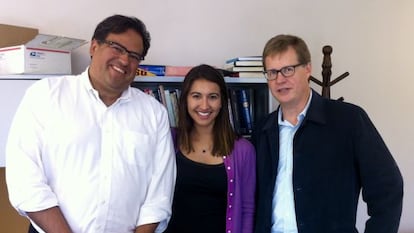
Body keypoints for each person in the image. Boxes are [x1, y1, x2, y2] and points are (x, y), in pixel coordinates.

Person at [6, 14, 176, 233]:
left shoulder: (154, 114)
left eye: (134, 55)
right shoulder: (45, 96)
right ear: (94, 47)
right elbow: (25, 180)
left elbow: (159, 196)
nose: (125, 60)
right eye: (117, 47)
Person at [252, 34, 403, 233]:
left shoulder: (349, 120)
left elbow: (388, 188)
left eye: (288, 70)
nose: (280, 79)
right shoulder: (262, 130)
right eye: (272, 72)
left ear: (308, 69)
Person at [163, 64, 256, 233]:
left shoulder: (243, 150)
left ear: (222, 102)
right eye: (196, 96)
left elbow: (247, 209)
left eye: (212, 97)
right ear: (185, 100)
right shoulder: (168, 139)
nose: (204, 105)